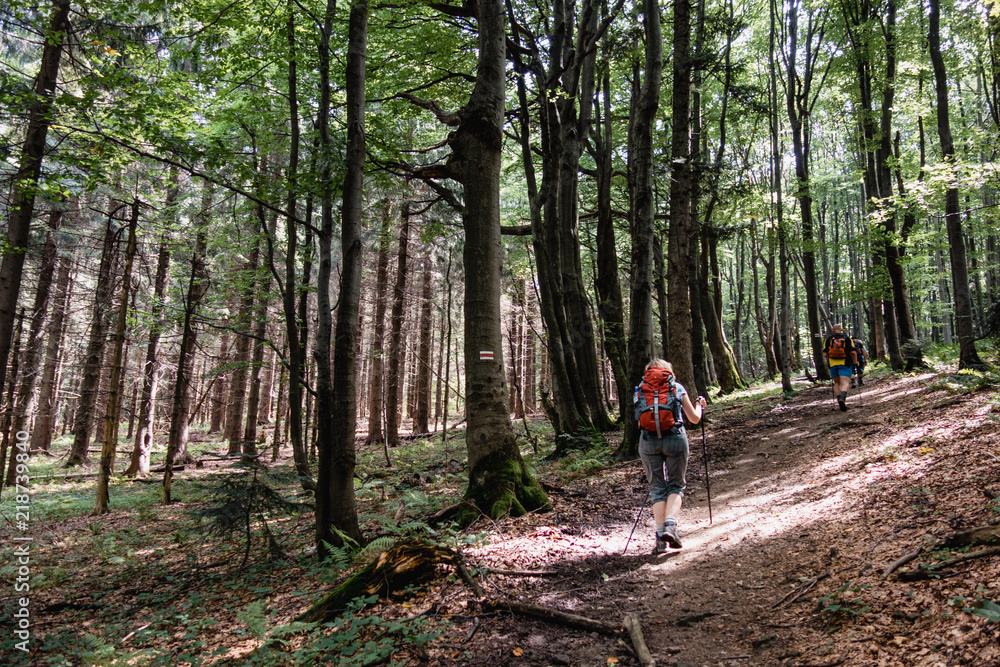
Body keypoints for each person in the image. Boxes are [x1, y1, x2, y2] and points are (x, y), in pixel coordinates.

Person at [634, 359, 706, 553]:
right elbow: (694, 418)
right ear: (668, 371)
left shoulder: (640, 389)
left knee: (657, 488)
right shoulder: (676, 387)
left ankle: (659, 537)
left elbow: (638, 417)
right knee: (675, 485)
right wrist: (700, 405)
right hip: (675, 438)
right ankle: (671, 527)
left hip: (648, 440)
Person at [823, 324, 857, 412]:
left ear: (833, 331)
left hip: (833, 364)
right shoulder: (847, 338)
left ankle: (839, 401)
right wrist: (855, 362)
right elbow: (853, 352)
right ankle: (842, 398)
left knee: (837, 383)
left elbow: (825, 354)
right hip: (845, 363)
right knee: (845, 383)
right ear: (841, 329)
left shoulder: (828, 340)